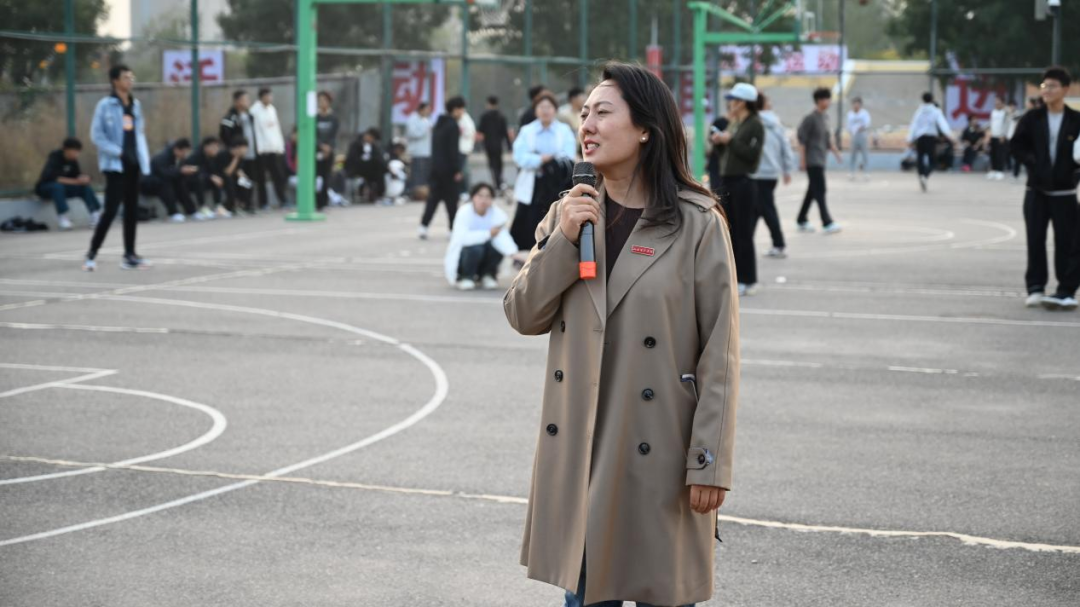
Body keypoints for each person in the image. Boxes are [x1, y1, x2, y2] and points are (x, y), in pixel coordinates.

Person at [504, 61, 739, 607]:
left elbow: (721, 353)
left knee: (663, 592)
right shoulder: (569, 214)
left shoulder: (697, 221)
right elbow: (522, 314)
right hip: (583, 454)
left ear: (646, 129)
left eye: (602, 112)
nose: (586, 124)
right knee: (587, 595)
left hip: (661, 455)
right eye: (584, 113)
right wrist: (564, 240)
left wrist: (710, 461)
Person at [1010, 66, 1080, 311]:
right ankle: (1035, 288)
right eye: (1044, 86)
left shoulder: (1075, 120)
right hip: (1036, 191)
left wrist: (1073, 173)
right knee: (1035, 240)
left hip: (1065, 193)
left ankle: (1065, 290)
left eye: (1052, 86)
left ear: (1065, 89)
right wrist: (1034, 163)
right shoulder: (1032, 118)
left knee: (1067, 243)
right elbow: (1016, 145)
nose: (1047, 90)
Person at [84, 64, 150, 271]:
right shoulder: (105, 105)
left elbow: (139, 133)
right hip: (115, 165)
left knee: (131, 210)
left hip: (133, 164)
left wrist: (142, 160)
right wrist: (118, 152)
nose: (130, 81)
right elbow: (97, 136)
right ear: (115, 81)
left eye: (131, 77)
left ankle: (129, 254)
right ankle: (92, 253)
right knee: (111, 210)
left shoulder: (135, 105)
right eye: (125, 78)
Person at [509, 92, 577, 252]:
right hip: (533, 181)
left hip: (556, 182)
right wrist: (540, 159)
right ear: (535, 110)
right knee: (528, 217)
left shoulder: (563, 130)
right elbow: (519, 156)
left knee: (556, 213)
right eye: (541, 107)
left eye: (549, 107)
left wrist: (552, 160)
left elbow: (569, 154)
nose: (545, 110)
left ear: (555, 110)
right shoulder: (527, 131)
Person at [716, 83, 765, 296]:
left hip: (744, 182)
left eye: (734, 100)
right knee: (730, 232)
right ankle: (735, 277)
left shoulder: (755, 124)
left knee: (744, 233)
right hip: (728, 180)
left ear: (744, 102)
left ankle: (748, 279)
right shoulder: (735, 122)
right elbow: (726, 153)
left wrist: (731, 141)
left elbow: (752, 155)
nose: (731, 104)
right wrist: (719, 141)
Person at [750, 93, 796, 261]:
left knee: (766, 209)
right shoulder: (776, 123)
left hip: (757, 173)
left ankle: (779, 243)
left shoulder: (752, 122)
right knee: (756, 209)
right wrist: (787, 169)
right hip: (771, 174)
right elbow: (786, 147)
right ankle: (743, 243)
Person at [444, 183, 516, 290]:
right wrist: (488, 234)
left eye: (488, 196)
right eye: (480, 196)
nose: (484, 200)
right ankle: (466, 276)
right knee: (476, 248)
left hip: (485, 253)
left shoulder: (497, 214)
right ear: (473, 197)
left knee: (496, 247)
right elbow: (463, 238)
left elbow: (502, 237)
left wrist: (514, 253)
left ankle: (487, 275)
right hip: (465, 257)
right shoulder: (464, 212)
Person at [418, 96, 467, 239]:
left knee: (433, 200)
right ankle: (452, 229)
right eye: (461, 109)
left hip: (435, 169)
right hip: (449, 171)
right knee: (452, 201)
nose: (462, 113)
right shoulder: (453, 126)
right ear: (455, 109)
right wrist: (457, 169)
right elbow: (453, 150)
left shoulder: (439, 124)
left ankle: (423, 227)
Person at [796, 87, 843, 234]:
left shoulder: (826, 118)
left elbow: (829, 139)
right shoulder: (810, 118)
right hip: (812, 160)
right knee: (820, 189)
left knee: (812, 190)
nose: (828, 102)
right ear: (818, 100)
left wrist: (836, 153)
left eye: (829, 99)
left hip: (821, 159)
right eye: (825, 99)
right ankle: (826, 221)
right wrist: (802, 160)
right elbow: (801, 140)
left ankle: (801, 218)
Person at [35, 137, 101, 230]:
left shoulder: (73, 160)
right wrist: (76, 181)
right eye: (74, 151)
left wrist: (84, 178)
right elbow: (54, 178)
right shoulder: (55, 156)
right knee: (57, 186)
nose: (76, 154)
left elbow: (76, 175)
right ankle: (62, 218)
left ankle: (95, 215)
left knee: (84, 187)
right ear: (66, 149)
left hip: (62, 189)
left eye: (78, 152)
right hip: (45, 188)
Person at [141, 138, 200, 222]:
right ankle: (173, 213)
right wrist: (180, 171)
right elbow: (163, 174)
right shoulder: (162, 157)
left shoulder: (178, 158)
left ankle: (191, 211)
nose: (185, 154)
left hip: (162, 182)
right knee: (165, 184)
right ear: (176, 149)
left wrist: (184, 172)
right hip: (149, 184)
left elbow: (174, 173)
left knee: (180, 184)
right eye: (184, 152)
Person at [219, 90, 259, 213]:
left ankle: (248, 204)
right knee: (238, 179)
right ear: (237, 102)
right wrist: (234, 150)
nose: (247, 102)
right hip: (237, 156)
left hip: (251, 154)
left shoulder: (250, 116)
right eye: (245, 100)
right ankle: (236, 204)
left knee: (249, 179)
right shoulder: (230, 118)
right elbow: (224, 135)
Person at [907, 92, 955, 192]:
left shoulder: (919, 111)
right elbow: (943, 124)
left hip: (920, 138)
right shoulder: (936, 111)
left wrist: (909, 139)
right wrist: (950, 136)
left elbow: (914, 125)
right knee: (933, 161)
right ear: (932, 99)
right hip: (930, 139)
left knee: (920, 159)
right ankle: (925, 175)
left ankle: (921, 176)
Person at [250, 88, 290, 208]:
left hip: (273, 149)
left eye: (270, 96)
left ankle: (283, 200)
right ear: (262, 97)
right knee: (261, 177)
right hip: (261, 150)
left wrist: (279, 146)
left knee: (278, 175)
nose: (269, 98)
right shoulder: (254, 111)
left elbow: (276, 129)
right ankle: (263, 202)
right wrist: (259, 148)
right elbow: (256, 132)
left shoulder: (272, 109)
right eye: (267, 96)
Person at [184, 136, 231, 218]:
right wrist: (211, 177)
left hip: (205, 180)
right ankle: (202, 207)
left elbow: (214, 171)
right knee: (201, 179)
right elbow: (196, 171)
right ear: (206, 147)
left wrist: (214, 177)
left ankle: (218, 206)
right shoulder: (195, 156)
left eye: (217, 147)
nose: (216, 149)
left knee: (218, 179)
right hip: (191, 182)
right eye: (214, 147)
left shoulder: (212, 157)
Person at [477, 96, 512, 190]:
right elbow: (505, 132)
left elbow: (480, 130)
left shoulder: (484, 116)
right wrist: (509, 146)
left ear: (488, 103)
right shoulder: (501, 116)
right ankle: (499, 181)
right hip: (498, 144)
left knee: (492, 164)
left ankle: (497, 182)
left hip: (488, 144)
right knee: (499, 163)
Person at [345, 128, 388, 204]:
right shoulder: (356, 144)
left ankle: (379, 195)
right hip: (356, 168)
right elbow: (352, 159)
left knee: (380, 170)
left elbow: (378, 158)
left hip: (369, 170)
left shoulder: (373, 146)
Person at [315, 91, 340, 210]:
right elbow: (314, 135)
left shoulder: (333, 118)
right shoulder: (315, 117)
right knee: (316, 177)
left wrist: (328, 148)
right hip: (317, 151)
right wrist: (321, 146)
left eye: (324, 100)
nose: (322, 103)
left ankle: (324, 202)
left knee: (326, 177)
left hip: (329, 152)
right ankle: (316, 201)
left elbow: (333, 135)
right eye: (320, 100)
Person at [217, 136, 255, 214]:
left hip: (234, 178)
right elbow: (228, 172)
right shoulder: (224, 154)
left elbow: (239, 170)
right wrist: (236, 158)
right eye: (244, 148)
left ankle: (246, 205)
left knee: (248, 183)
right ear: (238, 147)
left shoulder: (241, 157)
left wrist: (244, 177)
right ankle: (230, 206)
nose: (246, 150)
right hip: (222, 178)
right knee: (230, 181)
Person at [405, 102, 433, 195]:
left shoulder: (426, 120)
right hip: (417, 151)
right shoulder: (412, 119)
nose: (428, 112)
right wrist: (425, 130)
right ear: (421, 110)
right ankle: (414, 192)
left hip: (426, 152)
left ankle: (423, 193)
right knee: (417, 173)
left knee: (424, 173)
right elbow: (412, 133)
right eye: (426, 109)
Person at [846, 96, 871, 180]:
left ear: (860, 105)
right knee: (853, 155)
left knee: (865, 155)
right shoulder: (850, 114)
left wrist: (861, 128)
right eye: (854, 104)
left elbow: (867, 123)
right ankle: (852, 172)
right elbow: (848, 125)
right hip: (854, 136)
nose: (856, 106)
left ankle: (866, 173)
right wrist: (851, 131)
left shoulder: (864, 113)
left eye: (857, 104)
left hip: (862, 135)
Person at [986, 97, 1010, 180]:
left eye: (998, 103)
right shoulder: (993, 112)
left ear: (1002, 103)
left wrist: (1003, 135)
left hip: (1001, 136)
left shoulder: (1005, 112)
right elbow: (991, 123)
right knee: (993, 154)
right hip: (993, 135)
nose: (996, 104)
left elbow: (1007, 125)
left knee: (1000, 155)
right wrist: (988, 133)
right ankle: (993, 170)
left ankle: (1000, 171)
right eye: (995, 103)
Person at [458, 101, 478, 195]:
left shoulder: (465, 118)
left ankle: (464, 190)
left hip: (463, 149)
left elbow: (470, 132)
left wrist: (461, 131)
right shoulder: (462, 118)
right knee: (461, 170)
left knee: (463, 171)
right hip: (461, 149)